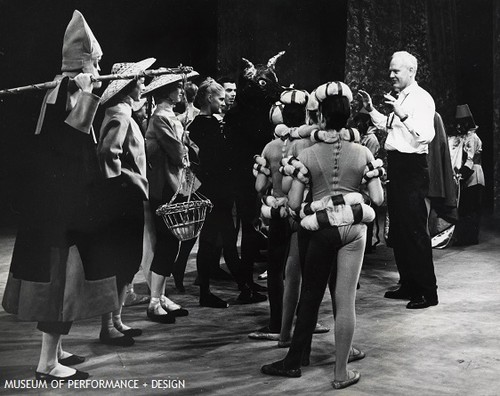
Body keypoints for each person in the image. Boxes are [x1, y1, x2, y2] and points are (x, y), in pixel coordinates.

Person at [2, 10, 115, 381]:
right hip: (59, 212)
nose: (100, 69)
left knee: (67, 282)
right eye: (97, 63)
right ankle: (47, 363)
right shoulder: (67, 93)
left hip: (59, 207)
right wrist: (86, 96)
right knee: (58, 284)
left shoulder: (59, 90)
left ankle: (58, 351)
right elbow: (68, 145)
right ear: (86, 63)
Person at [261, 81, 384, 389]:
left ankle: (293, 361)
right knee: (346, 302)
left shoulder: (309, 154)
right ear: (348, 117)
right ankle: (341, 372)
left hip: (321, 230)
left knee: (311, 294)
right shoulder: (362, 152)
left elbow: (292, 203)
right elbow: (378, 199)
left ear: (322, 118)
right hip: (355, 230)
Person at [358, 50, 439, 309]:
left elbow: (426, 135)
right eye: (390, 70)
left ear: (411, 71)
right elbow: (389, 126)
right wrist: (372, 110)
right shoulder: (402, 97)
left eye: (396, 70)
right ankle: (408, 284)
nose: (391, 74)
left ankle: (427, 291)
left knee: (414, 231)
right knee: (400, 231)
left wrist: (402, 114)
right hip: (398, 167)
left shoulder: (421, 99)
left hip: (412, 168)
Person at [188, 77, 267, 307]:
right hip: (217, 192)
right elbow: (219, 160)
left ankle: (233, 288)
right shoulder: (210, 126)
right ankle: (238, 288)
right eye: (221, 98)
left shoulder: (199, 125)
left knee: (215, 241)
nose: (224, 102)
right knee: (224, 242)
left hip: (212, 190)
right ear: (209, 98)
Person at [95, 58, 155, 345]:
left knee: (126, 261)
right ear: (129, 85)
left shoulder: (125, 111)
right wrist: (125, 182)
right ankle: (108, 326)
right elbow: (108, 154)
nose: (144, 85)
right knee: (121, 260)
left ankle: (117, 321)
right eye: (140, 80)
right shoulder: (119, 113)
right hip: (122, 197)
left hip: (125, 195)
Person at [143, 71, 199, 323]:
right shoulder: (159, 119)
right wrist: (185, 145)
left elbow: (187, 148)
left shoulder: (169, 117)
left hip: (175, 183)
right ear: (166, 92)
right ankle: (155, 300)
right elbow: (178, 153)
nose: (181, 91)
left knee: (171, 241)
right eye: (177, 87)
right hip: (164, 185)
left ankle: (160, 295)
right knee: (167, 240)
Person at [448, 104, 485, 246]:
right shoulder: (464, 137)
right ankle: (465, 236)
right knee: (466, 207)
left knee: (472, 207)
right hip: (468, 174)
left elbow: (470, 160)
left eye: (461, 124)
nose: (459, 127)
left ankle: (470, 238)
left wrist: (461, 175)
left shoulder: (472, 138)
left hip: (474, 175)